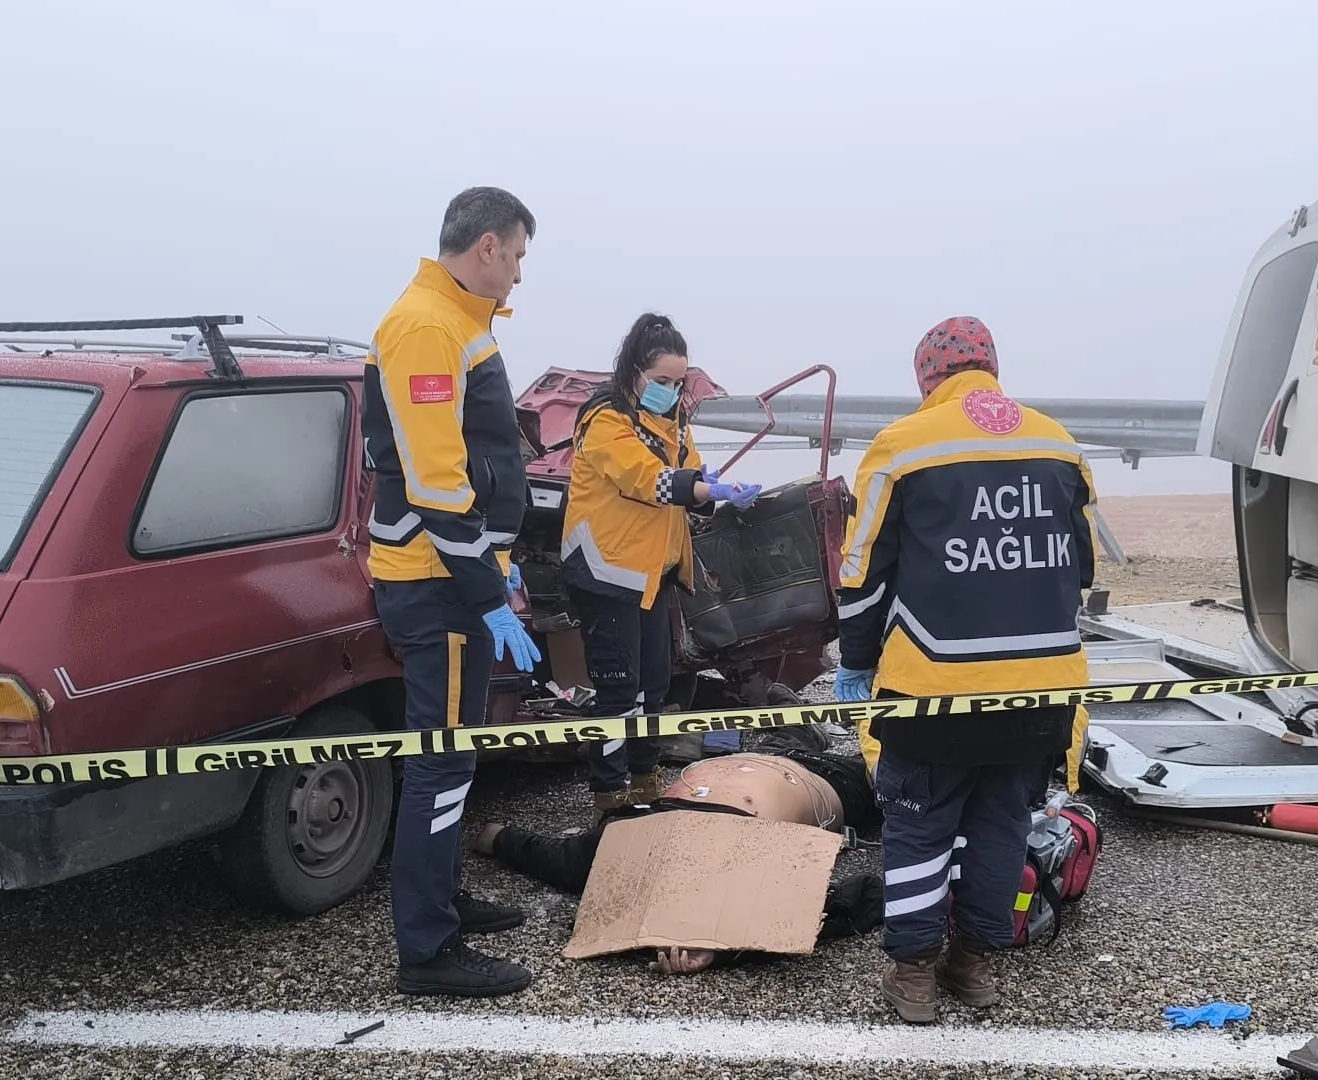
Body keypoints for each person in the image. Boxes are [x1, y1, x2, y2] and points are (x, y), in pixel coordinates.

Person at [832, 315, 1098, 1024]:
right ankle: (973, 967)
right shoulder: (1058, 443)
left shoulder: (902, 446)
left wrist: (856, 660)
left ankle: (915, 976)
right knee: (1002, 830)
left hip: (933, 690)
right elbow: (1083, 567)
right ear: (992, 367)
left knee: (918, 832)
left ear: (926, 377)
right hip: (1042, 694)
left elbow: (860, 571)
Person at [364, 186, 546, 999]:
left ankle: (443, 898)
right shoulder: (427, 326)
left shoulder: (459, 322)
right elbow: (438, 483)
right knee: (439, 761)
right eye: (516, 258)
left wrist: (494, 572)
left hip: (458, 580)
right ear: (487, 249)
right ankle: (426, 952)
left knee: (456, 754)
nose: (516, 277)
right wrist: (486, 595)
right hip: (436, 587)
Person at [558, 313, 762, 816]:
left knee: (654, 684)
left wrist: (715, 492)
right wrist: (702, 486)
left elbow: (687, 478)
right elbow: (646, 479)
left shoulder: (672, 425)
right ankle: (611, 792)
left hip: (653, 575)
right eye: (661, 381)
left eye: (678, 382)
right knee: (617, 689)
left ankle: (646, 779)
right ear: (633, 371)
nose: (670, 391)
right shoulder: (604, 420)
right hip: (606, 572)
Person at [470, 748, 883, 973]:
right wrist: (721, 950)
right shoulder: (619, 846)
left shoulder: (615, 849)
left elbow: (850, 901)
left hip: (808, 775)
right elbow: (850, 901)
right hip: (805, 777)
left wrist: (722, 948)